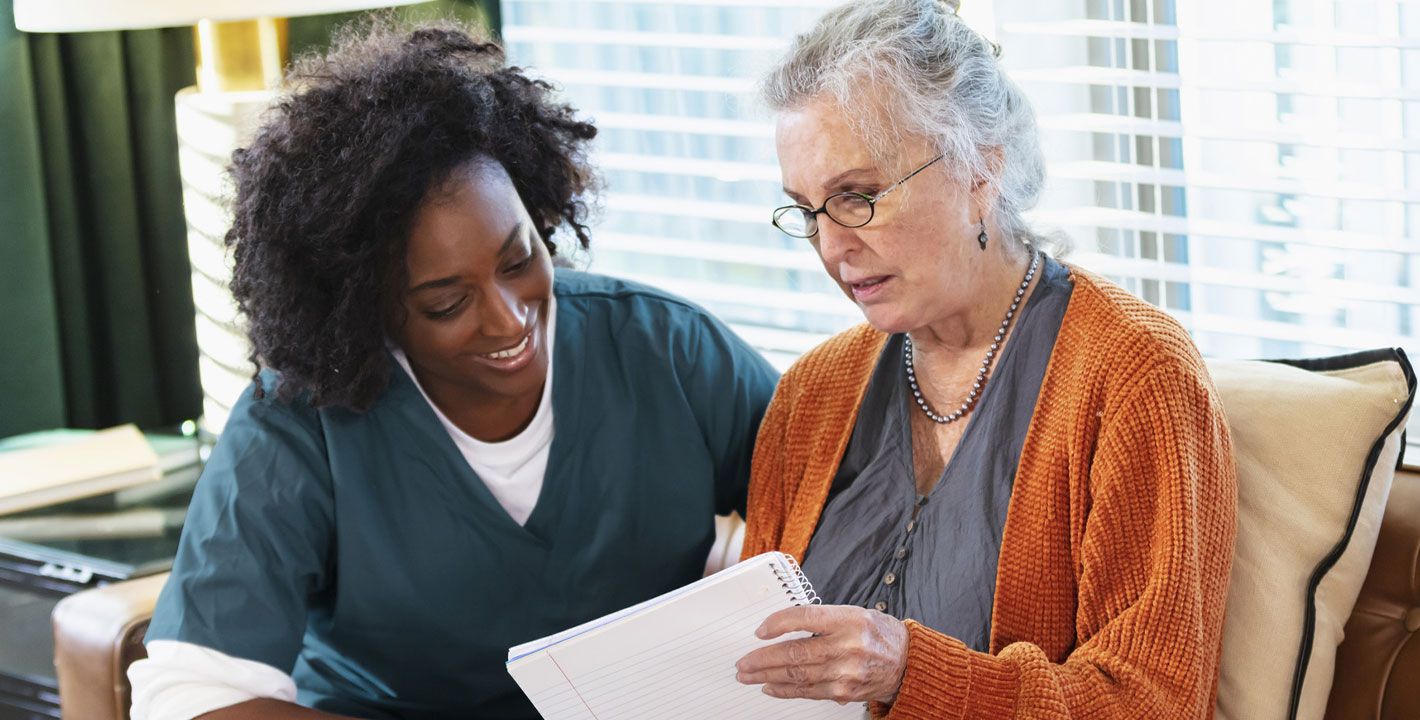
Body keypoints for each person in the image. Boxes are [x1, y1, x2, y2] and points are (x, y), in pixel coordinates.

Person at [127, 22, 778, 720]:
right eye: (446, 302)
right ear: (364, 308)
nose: (507, 319)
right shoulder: (298, 425)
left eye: (518, 259)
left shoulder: (667, 350)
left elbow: (853, 514)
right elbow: (191, 698)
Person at [732, 1, 1238, 717]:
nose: (831, 246)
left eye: (858, 196)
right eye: (808, 210)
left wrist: (910, 673)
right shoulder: (812, 392)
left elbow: (1152, 700)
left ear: (980, 174)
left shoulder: (1137, 375)